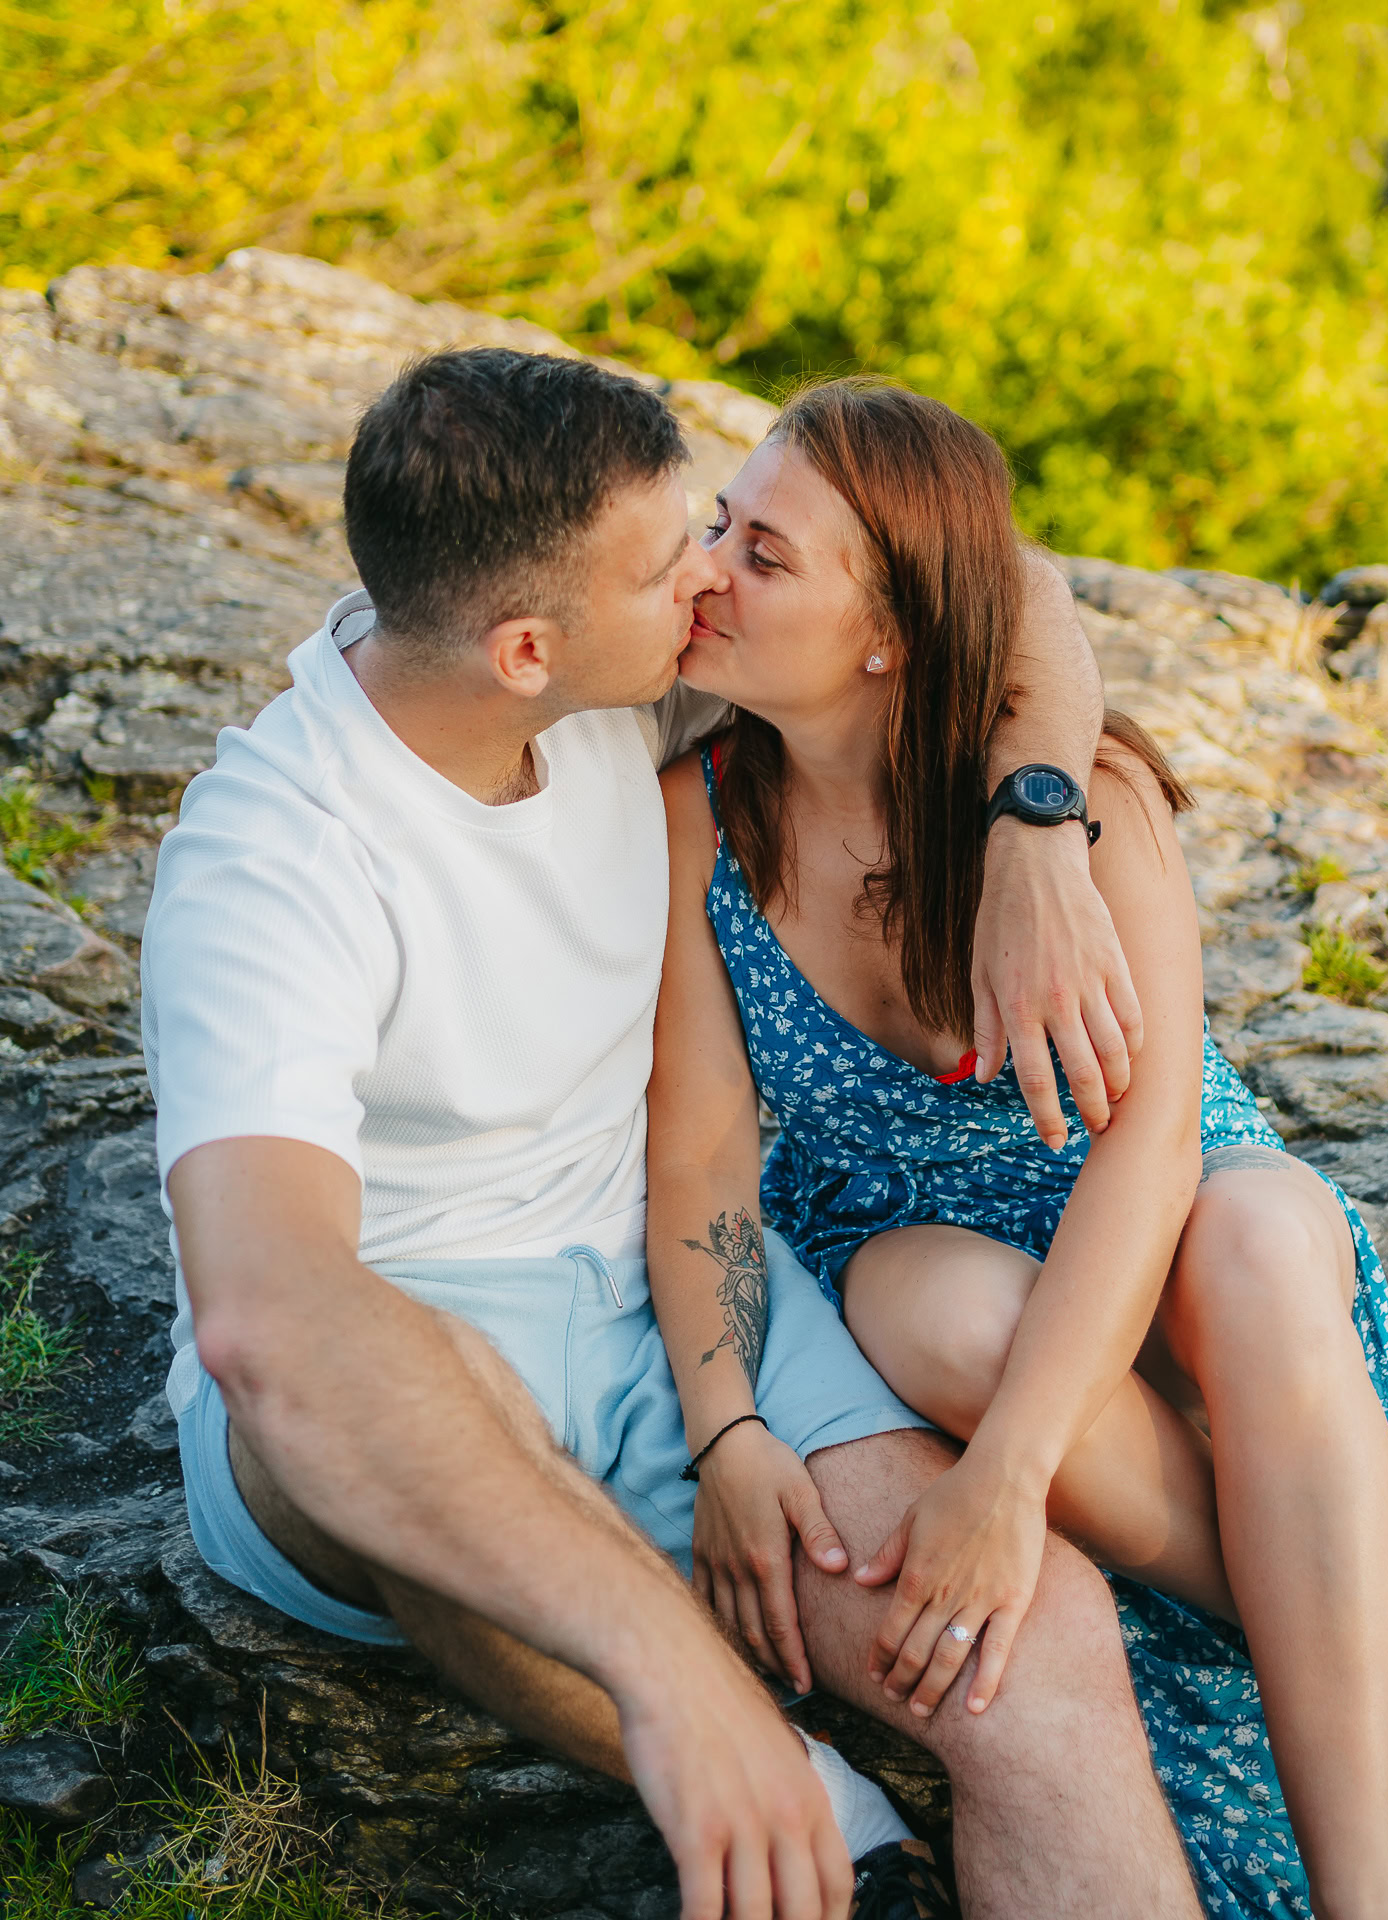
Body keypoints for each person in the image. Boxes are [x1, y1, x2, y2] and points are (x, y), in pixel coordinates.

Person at [142, 346, 1209, 1920]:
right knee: (402, 1419)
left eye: (719, 532)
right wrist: (682, 1677)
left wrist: (1035, 813)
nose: (713, 577)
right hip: (415, 1336)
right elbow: (280, 1325)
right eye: (678, 560)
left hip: (679, 1296)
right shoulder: (270, 865)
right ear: (526, 647)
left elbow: (998, 579)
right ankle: (810, 1796)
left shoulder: (609, 681)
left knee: (1031, 1655)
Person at [648, 377, 1388, 1920]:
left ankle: (1368, 1900)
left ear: (893, 635)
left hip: (1176, 1219)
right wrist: (728, 1427)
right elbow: (705, 1156)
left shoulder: (1090, 805)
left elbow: (1152, 1151)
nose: (710, 566)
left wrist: (1003, 1483)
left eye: (766, 552)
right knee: (916, 1310)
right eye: (722, 521)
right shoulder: (700, 810)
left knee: (1262, 1240)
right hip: (934, 1246)